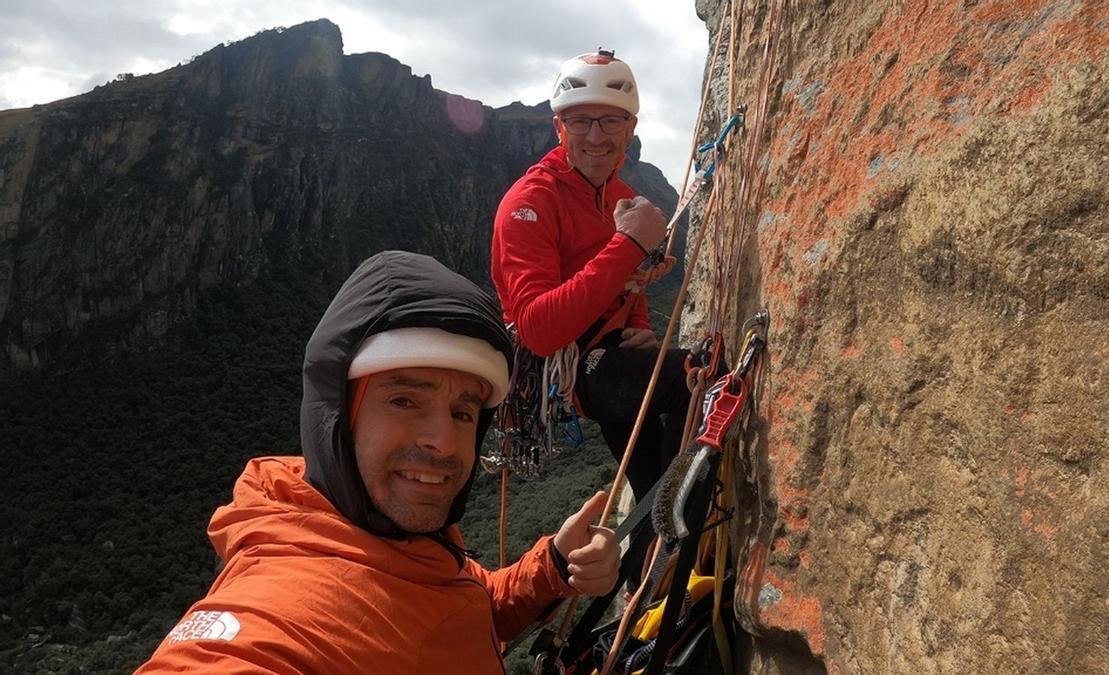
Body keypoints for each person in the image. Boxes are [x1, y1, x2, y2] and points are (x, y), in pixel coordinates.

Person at [137, 251, 619, 673]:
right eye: (405, 401)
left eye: (462, 412)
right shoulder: (285, 604)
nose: (444, 443)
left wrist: (552, 565)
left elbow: (460, 607)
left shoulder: (397, 540)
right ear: (338, 415)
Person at [490, 50, 694, 507]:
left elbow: (630, 280)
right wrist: (629, 244)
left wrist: (639, 326)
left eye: (611, 122)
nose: (596, 136)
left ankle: (652, 559)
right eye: (581, 122)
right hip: (562, 368)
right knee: (698, 378)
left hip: (607, 353)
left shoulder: (620, 197)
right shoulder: (530, 203)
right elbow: (538, 330)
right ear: (559, 128)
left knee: (648, 475)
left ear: (631, 130)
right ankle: (675, 536)